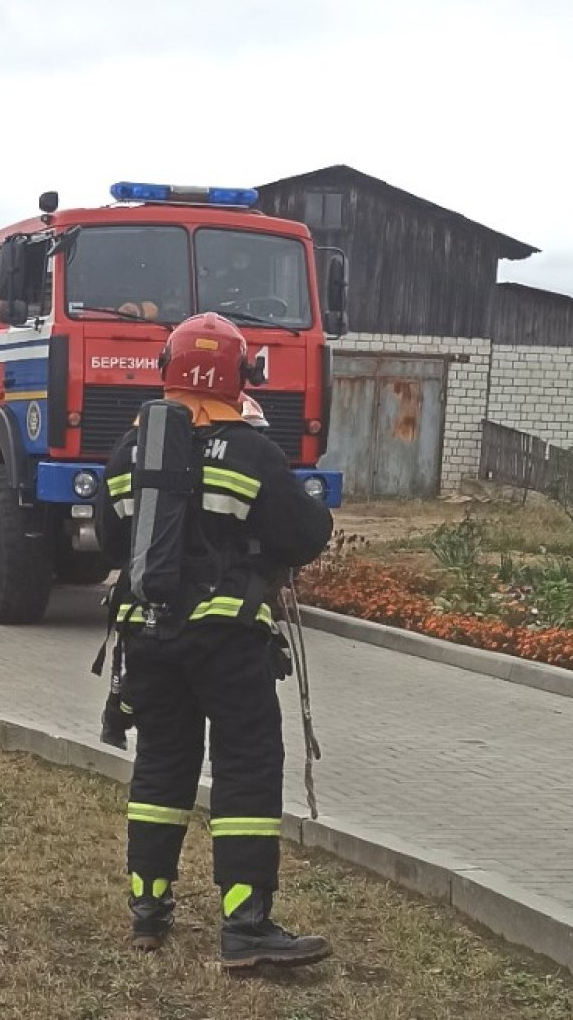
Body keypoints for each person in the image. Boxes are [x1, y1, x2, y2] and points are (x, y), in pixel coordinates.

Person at [98, 313, 333, 967]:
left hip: (146, 638)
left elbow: (112, 542)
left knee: (163, 763)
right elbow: (306, 534)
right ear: (239, 377)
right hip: (227, 643)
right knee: (246, 766)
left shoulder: (129, 453)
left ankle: (148, 908)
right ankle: (245, 925)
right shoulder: (253, 452)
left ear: (167, 372)